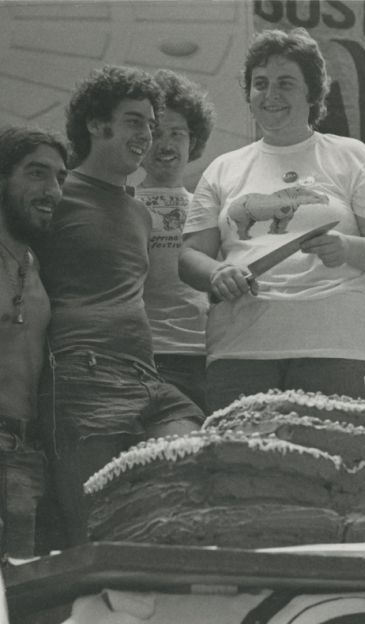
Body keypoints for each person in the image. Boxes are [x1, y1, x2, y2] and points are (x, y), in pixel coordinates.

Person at [179, 28, 365, 414]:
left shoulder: (350, 156)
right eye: (260, 84)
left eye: (286, 83)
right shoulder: (222, 168)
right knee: (240, 467)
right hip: (240, 349)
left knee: (331, 467)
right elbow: (189, 257)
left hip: (336, 348)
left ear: (313, 93)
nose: (271, 95)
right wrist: (217, 273)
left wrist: (348, 247)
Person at [36, 65, 205, 547]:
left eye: (151, 124)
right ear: (96, 124)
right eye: (135, 121)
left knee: (189, 476)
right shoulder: (55, 193)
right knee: (95, 534)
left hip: (149, 380)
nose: (147, 135)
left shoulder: (138, 210)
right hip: (80, 376)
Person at [0, 126, 67, 558]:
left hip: (26, 456)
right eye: (37, 174)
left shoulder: (36, 262)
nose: (53, 190)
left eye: (61, 177)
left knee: (18, 604)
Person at [136, 69, 215, 413]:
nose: (166, 145)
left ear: (192, 142)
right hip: (146, 358)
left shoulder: (212, 207)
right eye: (155, 133)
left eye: (177, 134)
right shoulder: (124, 203)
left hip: (210, 356)